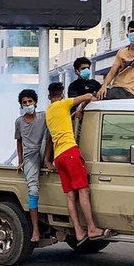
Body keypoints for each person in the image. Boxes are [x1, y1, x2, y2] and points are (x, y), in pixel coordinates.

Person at [44, 82, 111, 244]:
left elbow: (53, 134)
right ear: (62, 95)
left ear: (48, 97)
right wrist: (92, 98)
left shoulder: (49, 112)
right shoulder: (64, 104)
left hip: (59, 157)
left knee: (70, 195)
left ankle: (79, 232)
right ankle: (92, 228)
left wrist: (75, 115)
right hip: (70, 154)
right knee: (83, 191)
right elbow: (87, 96)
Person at [15, 89, 47, 242]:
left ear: (35, 102)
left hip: (44, 151)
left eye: (30, 102)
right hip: (30, 157)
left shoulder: (44, 116)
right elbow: (19, 141)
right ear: (21, 105)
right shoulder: (19, 121)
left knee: (50, 134)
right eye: (25, 103)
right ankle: (35, 230)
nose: (28, 105)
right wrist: (20, 160)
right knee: (33, 189)